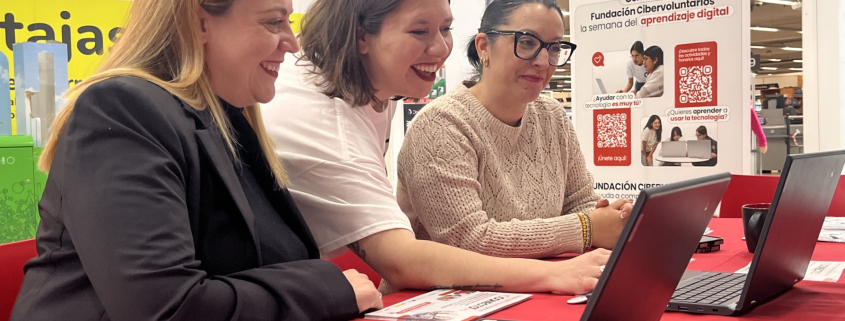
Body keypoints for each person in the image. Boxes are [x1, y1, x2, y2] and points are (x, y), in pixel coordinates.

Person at [11, 0, 380, 320]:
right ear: (199, 23)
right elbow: (165, 308)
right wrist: (325, 288)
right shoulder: (123, 109)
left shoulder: (228, 122)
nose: (292, 43)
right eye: (273, 22)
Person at [262, 0, 618, 296]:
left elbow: (582, 203)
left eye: (445, 28)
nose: (441, 48)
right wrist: (579, 238)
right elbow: (411, 257)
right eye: (419, 31)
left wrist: (606, 221)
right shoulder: (425, 124)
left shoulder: (378, 88)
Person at [395, 0, 631, 259]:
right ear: (484, 47)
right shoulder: (440, 126)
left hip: (545, 277)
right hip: (447, 285)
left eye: (554, 48)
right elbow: (468, 240)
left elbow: (580, 201)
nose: (543, 61)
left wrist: (613, 217)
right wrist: (586, 228)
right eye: (527, 42)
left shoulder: (552, 117)